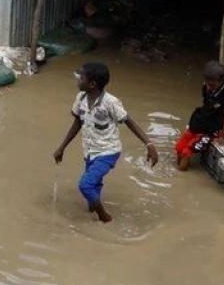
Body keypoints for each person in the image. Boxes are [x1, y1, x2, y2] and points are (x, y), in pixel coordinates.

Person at [52, 62, 160, 223]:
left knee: (85, 185)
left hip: (108, 151)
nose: (77, 80)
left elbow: (129, 122)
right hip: (90, 150)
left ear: (92, 84)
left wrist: (149, 144)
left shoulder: (110, 102)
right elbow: (77, 123)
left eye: (81, 77)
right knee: (92, 191)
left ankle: (105, 217)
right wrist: (62, 147)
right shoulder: (80, 98)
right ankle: (93, 208)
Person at [174, 60, 224, 172]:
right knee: (179, 147)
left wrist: (222, 136)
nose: (209, 87)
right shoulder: (206, 85)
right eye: (207, 83)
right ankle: (179, 166)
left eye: (211, 85)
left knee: (187, 151)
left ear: (219, 81)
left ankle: (181, 172)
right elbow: (205, 104)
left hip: (214, 127)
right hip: (202, 118)